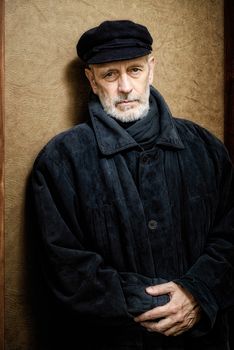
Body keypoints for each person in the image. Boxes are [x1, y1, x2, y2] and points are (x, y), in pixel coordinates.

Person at [30, 20, 234, 350]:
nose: (125, 86)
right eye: (110, 74)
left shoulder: (205, 148)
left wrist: (199, 292)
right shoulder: (60, 160)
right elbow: (65, 267)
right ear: (91, 79)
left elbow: (230, 237)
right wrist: (160, 305)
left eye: (135, 70)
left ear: (151, 70)